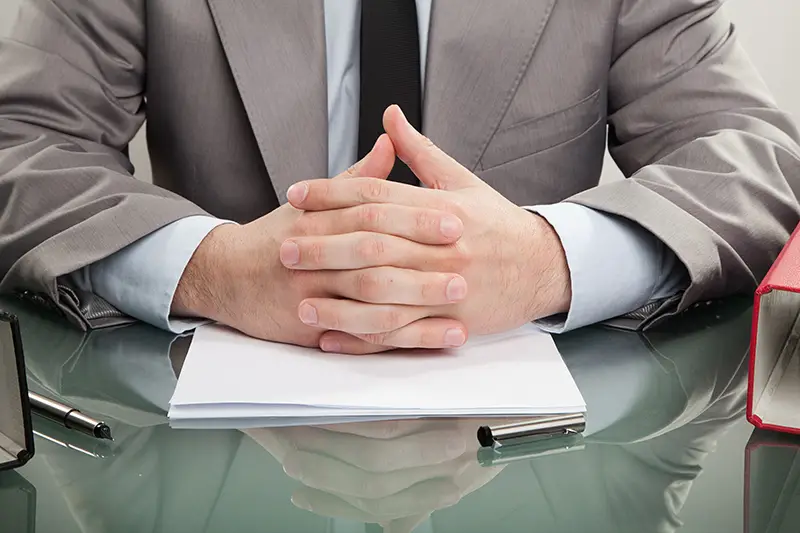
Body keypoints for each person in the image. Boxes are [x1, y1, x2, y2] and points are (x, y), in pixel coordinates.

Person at [0, 0, 798, 355]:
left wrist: (545, 258)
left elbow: (753, 156)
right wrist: (213, 270)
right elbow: (22, 143)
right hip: (201, 448)